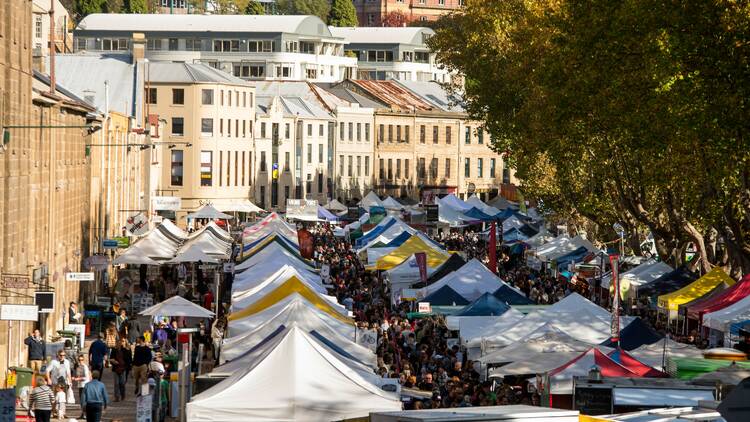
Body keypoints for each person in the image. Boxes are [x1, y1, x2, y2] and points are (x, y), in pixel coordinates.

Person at [72, 355, 91, 419]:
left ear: (84, 360)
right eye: (79, 360)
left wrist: (77, 379)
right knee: (82, 401)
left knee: (83, 401)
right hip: (80, 385)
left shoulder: (84, 367)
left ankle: (85, 415)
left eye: (82, 360)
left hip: (84, 385)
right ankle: (83, 414)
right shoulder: (78, 367)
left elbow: (86, 377)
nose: (80, 361)